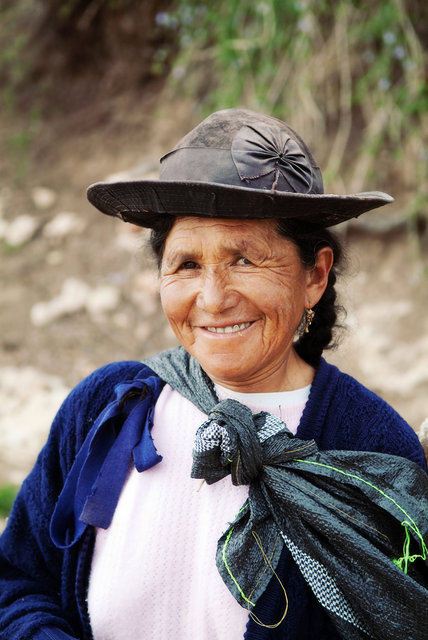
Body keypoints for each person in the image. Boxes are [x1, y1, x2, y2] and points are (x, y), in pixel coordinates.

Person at [0, 109, 427, 640]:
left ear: (314, 275)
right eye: (186, 265)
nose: (212, 298)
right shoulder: (108, 407)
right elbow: (18, 579)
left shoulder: (372, 448)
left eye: (244, 260)